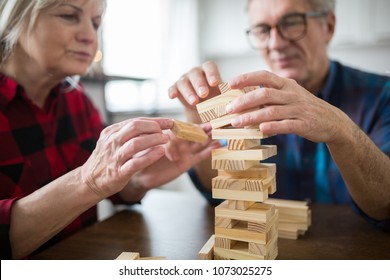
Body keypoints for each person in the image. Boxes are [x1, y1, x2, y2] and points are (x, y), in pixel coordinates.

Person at [0, 0, 216, 260]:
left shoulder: (77, 101)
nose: (90, 36)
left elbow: (116, 193)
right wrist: (88, 182)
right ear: (14, 19)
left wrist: (136, 179)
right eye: (69, 16)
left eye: (96, 23)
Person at [169, 0, 390, 230]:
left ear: (329, 26)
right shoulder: (247, 103)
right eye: (263, 30)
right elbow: (223, 192)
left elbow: (385, 206)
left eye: (292, 22)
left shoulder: (383, 94)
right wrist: (199, 120)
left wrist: (341, 131)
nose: (276, 43)